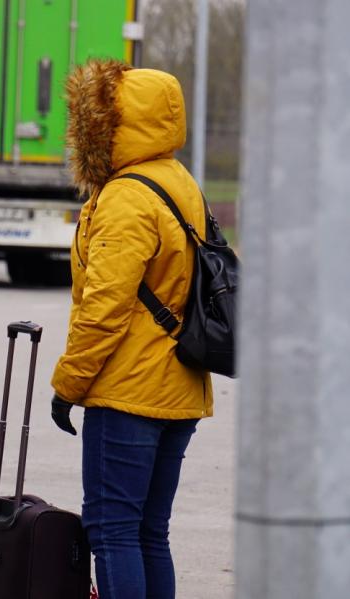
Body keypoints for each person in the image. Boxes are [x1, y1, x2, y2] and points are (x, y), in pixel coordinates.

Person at [48, 59, 213, 599]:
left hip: (129, 392)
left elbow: (104, 307)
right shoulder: (182, 183)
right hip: (180, 385)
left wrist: (68, 384)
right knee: (149, 532)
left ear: (110, 124)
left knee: (112, 530)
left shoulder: (125, 196)